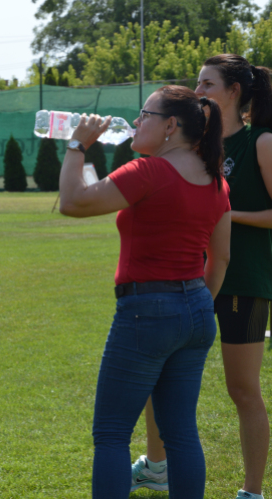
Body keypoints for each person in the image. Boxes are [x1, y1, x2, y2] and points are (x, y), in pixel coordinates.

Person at [58, 86, 231, 498]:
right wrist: (193, 303)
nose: (136, 121)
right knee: (182, 434)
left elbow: (72, 202)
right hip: (197, 309)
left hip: (146, 311)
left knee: (113, 433)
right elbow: (220, 259)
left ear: (171, 125)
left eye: (144, 114)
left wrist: (76, 145)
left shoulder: (149, 171)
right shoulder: (215, 181)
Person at [134, 54, 272, 499]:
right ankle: (157, 468)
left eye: (207, 84)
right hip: (185, 278)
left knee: (242, 390)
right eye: (196, 83)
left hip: (243, 280)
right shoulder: (193, 145)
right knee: (161, 377)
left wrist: (228, 216)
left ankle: (252, 491)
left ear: (234, 91)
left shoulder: (261, 142)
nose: (198, 92)